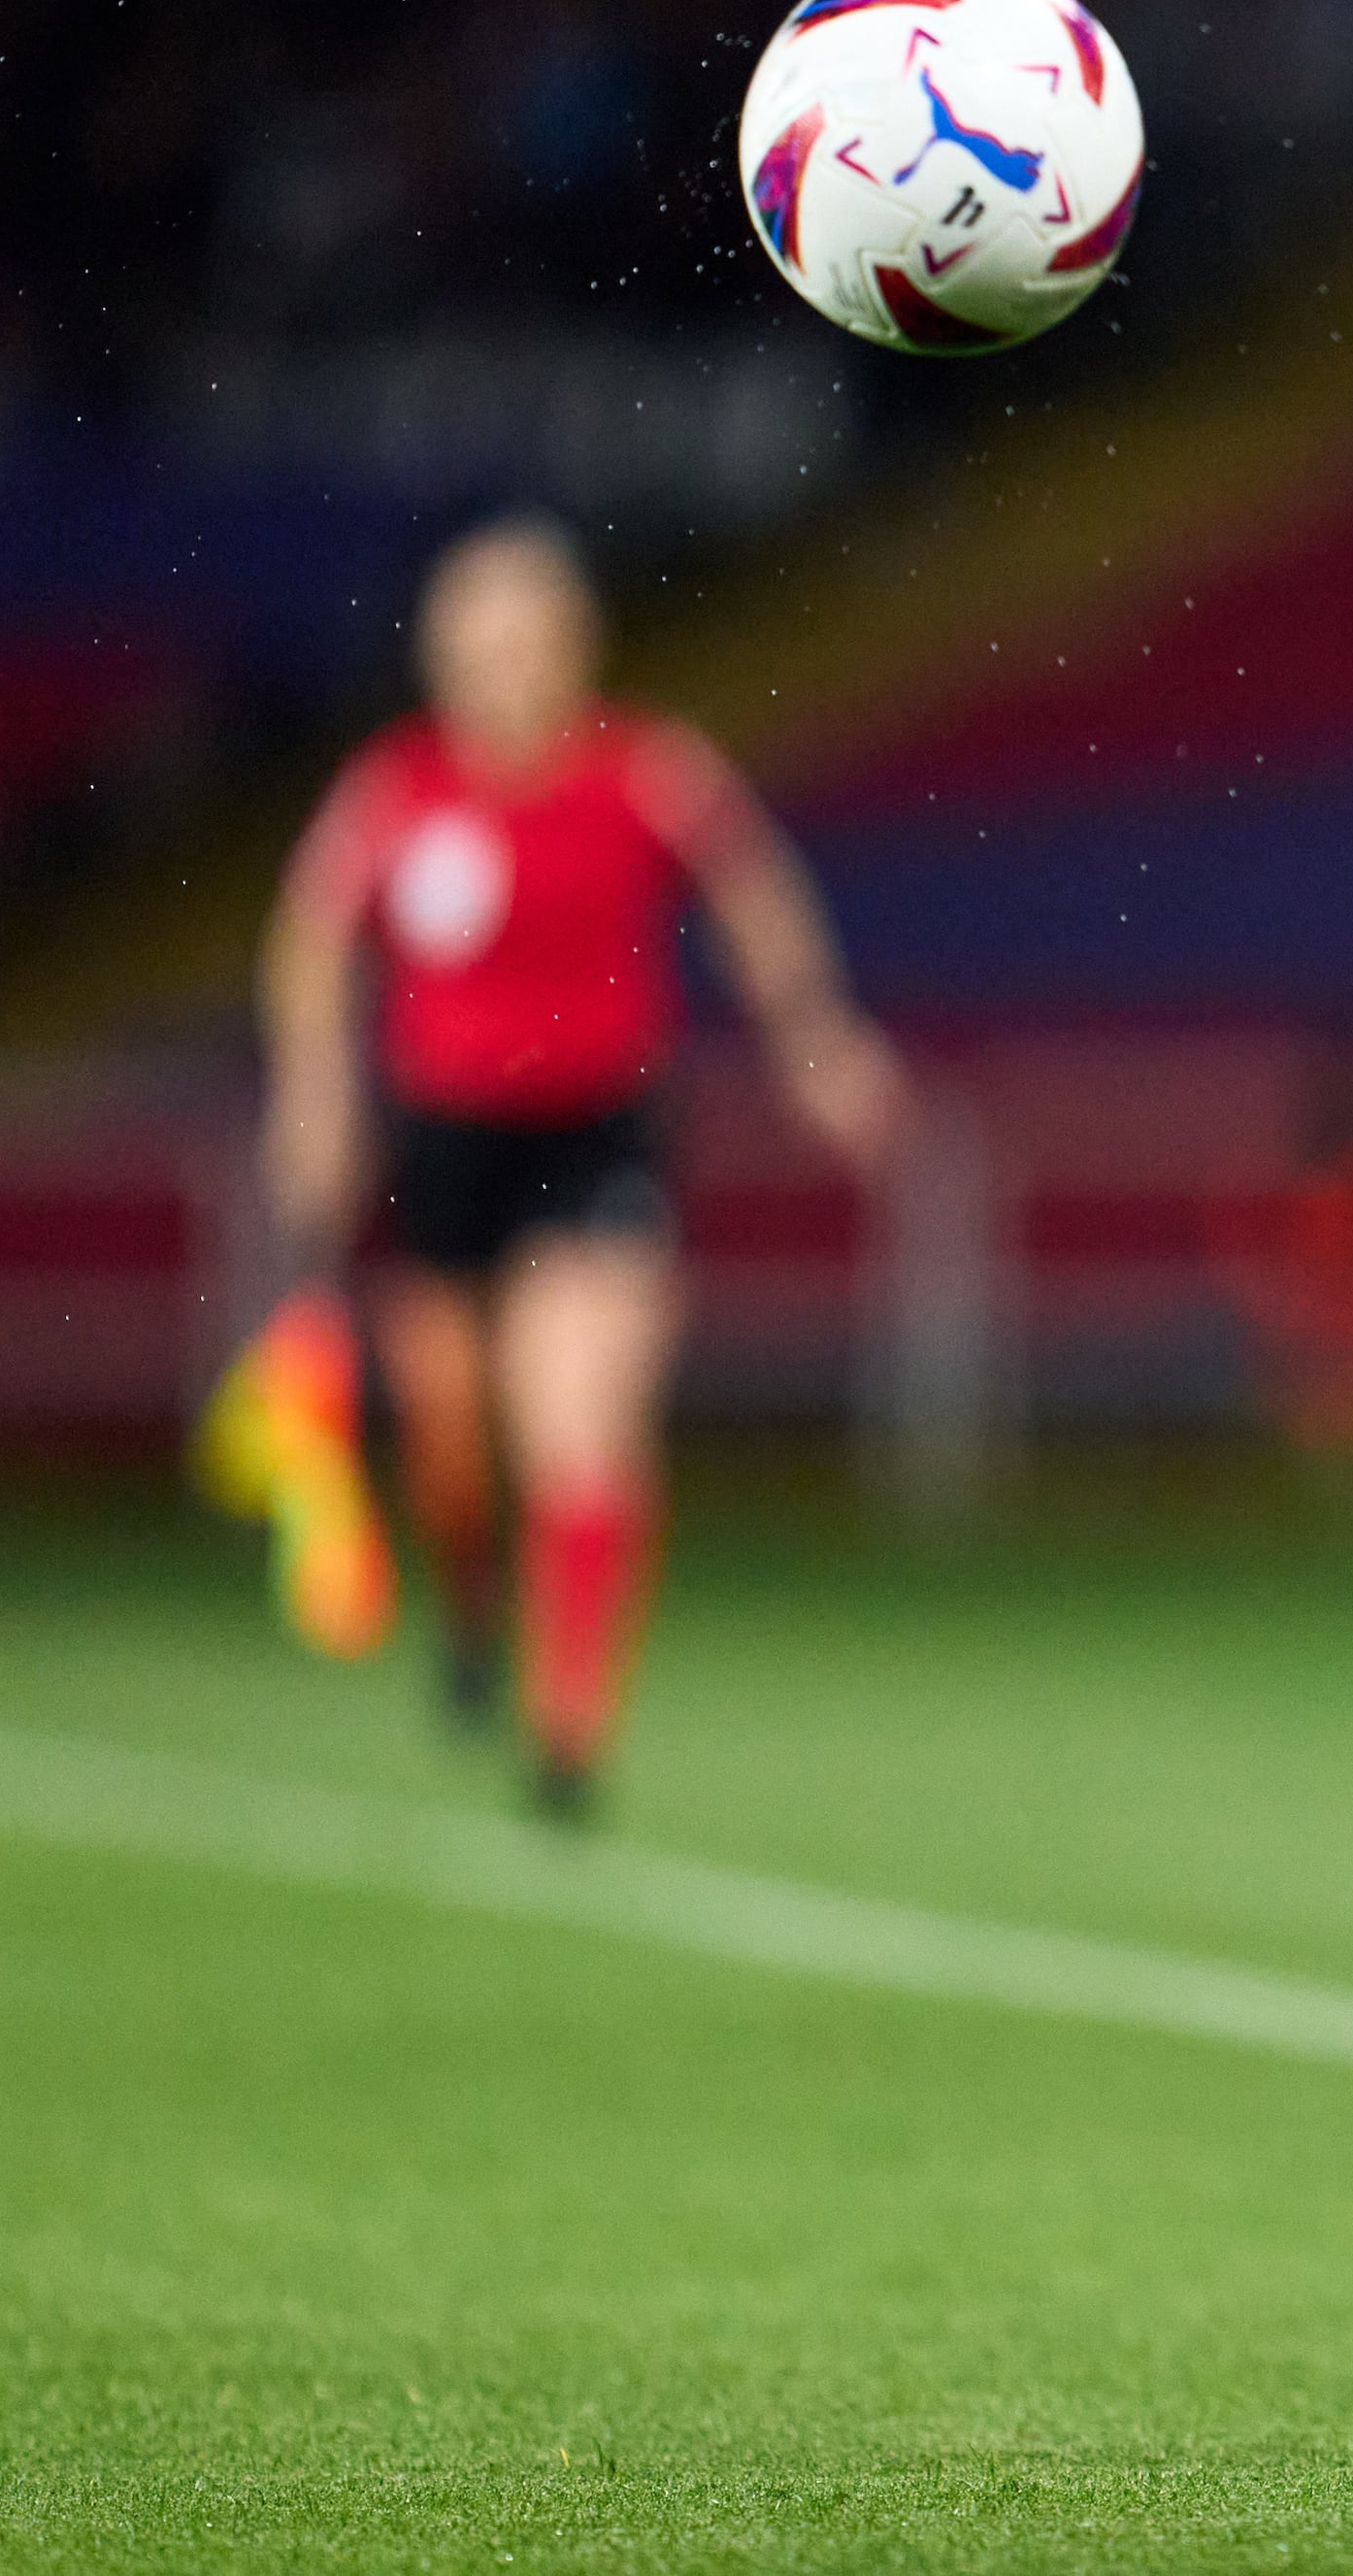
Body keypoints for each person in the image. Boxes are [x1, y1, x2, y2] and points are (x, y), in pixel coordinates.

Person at [250, 515, 902, 1818]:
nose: (497, 670)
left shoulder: (648, 773)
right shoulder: (394, 793)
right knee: (447, 1432)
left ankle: (568, 1725)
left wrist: (817, 1038)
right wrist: (315, 1096)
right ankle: (474, 1606)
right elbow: (311, 941)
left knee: (579, 1426)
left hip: (597, 1136)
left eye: (523, 641)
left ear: (574, 647)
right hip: (442, 1144)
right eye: (472, 645)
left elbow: (755, 892)